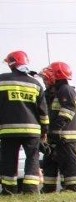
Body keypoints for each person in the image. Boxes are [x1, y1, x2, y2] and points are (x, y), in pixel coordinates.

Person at [0, 50, 49, 194]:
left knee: (9, 159)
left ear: (11, 64)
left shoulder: (2, 80)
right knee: (32, 158)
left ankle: (9, 190)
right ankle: (31, 189)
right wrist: (44, 131)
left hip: (8, 130)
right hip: (32, 130)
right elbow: (43, 112)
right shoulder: (35, 84)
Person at [42, 61, 76, 192]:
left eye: (47, 76)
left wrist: (62, 126)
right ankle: (48, 188)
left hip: (66, 136)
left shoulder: (66, 90)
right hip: (54, 135)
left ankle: (74, 187)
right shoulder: (51, 93)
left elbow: (71, 110)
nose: (45, 79)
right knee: (50, 162)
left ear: (56, 75)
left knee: (69, 163)